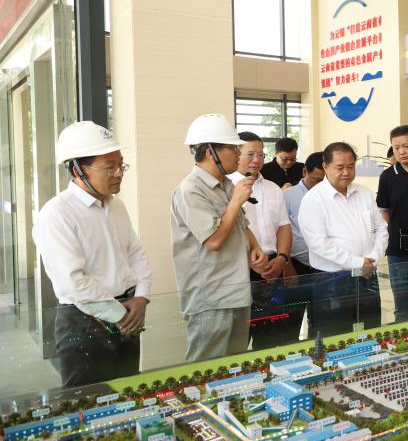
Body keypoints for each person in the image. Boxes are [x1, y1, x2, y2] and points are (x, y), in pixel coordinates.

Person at [34, 122, 152, 387]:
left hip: (129, 312)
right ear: (78, 169)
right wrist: (120, 315)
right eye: (109, 167)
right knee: (88, 401)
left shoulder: (116, 206)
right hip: (84, 320)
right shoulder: (57, 214)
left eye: (121, 165)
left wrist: (141, 297)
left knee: (127, 393)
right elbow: (71, 280)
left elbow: (136, 253)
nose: (119, 173)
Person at [171, 114, 268, 362]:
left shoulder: (226, 184)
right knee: (207, 368)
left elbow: (239, 224)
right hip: (210, 298)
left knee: (234, 365)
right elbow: (213, 241)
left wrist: (254, 246)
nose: (238, 153)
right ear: (209, 152)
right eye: (233, 148)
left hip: (237, 290)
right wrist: (236, 201)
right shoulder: (190, 190)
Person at [298, 142, 388, 334]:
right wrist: (358, 263)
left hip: (367, 274)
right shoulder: (313, 199)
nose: (346, 172)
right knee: (333, 335)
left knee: (369, 330)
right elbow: (318, 244)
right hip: (332, 280)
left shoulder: (364, 193)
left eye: (351, 166)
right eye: (339, 167)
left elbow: (381, 229)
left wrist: (372, 258)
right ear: (325, 167)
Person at [229, 132, 298, 348]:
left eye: (260, 154)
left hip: (272, 267)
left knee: (271, 337)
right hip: (239, 269)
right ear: (236, 154)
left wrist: (282, 259)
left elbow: (284, 226)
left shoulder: (272, 188)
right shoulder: (226, 187)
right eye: (250, 154)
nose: (257, 160)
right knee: (237, 340)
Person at [377, 125, 408, 323]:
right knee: (402, 302)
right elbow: (384, 210)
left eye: (406, 146)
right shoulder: (387, 176)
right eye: (396, 148)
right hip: (397, 249)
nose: (401, 152)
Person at [283, 152, 326, 276]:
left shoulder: (331, 195)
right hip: (299, 263)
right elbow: (280, 232)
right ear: (305, 172)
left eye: (326, 181)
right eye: (317, 180)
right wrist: (287, 266)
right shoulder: (287, 196)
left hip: (328, 262)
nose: (321, 185)